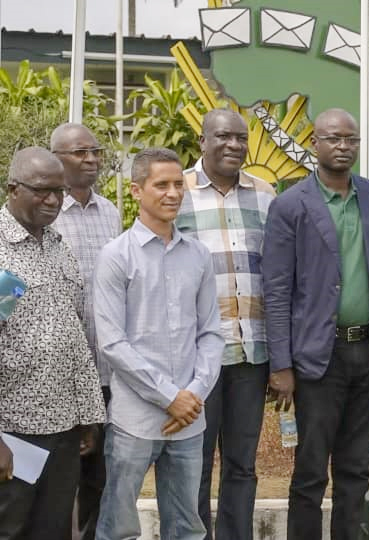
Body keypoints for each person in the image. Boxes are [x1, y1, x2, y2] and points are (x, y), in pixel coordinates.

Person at [262, 108, 369, 540]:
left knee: (356, 468)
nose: (343, 147)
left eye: (351, 140)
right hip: (317, 358)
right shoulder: (289, 205)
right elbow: (277, 288)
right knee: (310, 471)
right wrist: (281, 366)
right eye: (334, 139)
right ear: (314, 144)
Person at [93, 147, 224, 540]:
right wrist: (170, 397)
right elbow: (112, 343)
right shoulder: (116, 257)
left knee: (187, 527)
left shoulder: (199, 255)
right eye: (161, 185)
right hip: (135, 420)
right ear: (136, 191)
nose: (172, 193)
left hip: (189, 421)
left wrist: (194, 393)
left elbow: (211, 333)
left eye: (177, 185)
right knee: (118, 527)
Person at [175, 109, 275, 540]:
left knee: (242, 464)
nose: (234, 145)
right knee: (191, 462)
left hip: (250, 353)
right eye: (223, 136)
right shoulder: (174, 191)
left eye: (241, 137)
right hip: (195, 358)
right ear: (202, 142)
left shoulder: (265, 194)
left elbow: (276, 272)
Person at [0, 147, 107, 540]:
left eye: (59, 191)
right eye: (42, 191)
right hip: (15, 433)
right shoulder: (2, 257)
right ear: (13, 189)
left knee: (55, 529)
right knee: (13, 529)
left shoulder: (57, 245)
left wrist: (88, 416)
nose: (53, 200)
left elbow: (73, 337)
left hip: (65, 431)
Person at [49, 122, 122, 540]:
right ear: (56, 156)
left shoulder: (111, 212)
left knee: (100, 476)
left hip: (107, 371)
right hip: (60, 376)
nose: (91, 159)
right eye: (80, 152)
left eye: (95, 151)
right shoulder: (41, 214)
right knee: (60, 478)